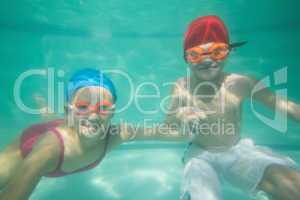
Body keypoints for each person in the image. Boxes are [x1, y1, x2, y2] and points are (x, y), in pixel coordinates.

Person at [165, 15, 300, 200]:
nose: (206, 61)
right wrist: (180, 116)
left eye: (217, 51)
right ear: (186, 58)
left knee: (291, 185)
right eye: (196, 54)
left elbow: (286, 107)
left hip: (236, 151)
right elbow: (169, 124)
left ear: (229, 51)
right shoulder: (181, 86)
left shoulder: (241, 83)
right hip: (200, 156)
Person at [0, 68, 187, 200]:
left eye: (103, 108)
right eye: (83, 106)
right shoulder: (50, 149)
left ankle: (47, 113)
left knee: (54, 120)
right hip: (26, 148)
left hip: (67, 124)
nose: (94, 115)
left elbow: (168, 132)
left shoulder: (115, 134)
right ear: (69, 109)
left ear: (113, 113)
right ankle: (45, 113)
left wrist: (175, 107)